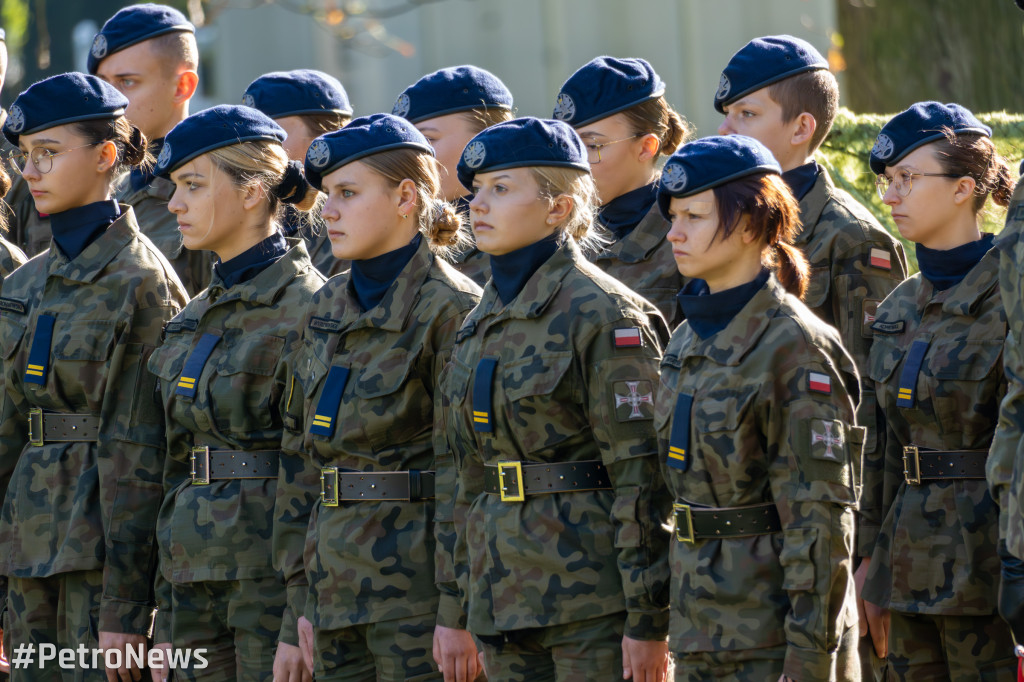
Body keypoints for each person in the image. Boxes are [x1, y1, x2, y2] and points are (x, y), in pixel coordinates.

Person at [441, 117, 672, 682]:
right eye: (478, 189)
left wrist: (648, 620)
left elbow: (642, 479)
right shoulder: (479, 318)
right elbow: (467, 474)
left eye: (502, 188)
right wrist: (456, 605)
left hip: (590, 604)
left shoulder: (605, 314)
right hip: (500, 595)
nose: (478, 204)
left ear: (559, 208)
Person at [714, 35, 907, 676]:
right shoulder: (716, 222)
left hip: (821, 526)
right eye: (727, 114)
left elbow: (873, 406)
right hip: (732, 530)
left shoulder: (852, 240)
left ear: (801, 127)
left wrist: (868, 548)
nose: (728, 128)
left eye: (748, 115)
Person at [272, 113, 481, 681]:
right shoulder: (323, 306)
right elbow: (301, 461)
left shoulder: (452, 309)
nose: (327, 211)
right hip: (331, 590)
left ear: (405, 196)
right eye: (325, 195)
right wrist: (298, 608)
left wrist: (455, 610)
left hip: (414, 599)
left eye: (347, 193)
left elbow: (462, 472)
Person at [0, 72, 188, 680]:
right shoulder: (24, 284)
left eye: (48, 154)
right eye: (25, 156)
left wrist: (129, 606)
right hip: (25, 550)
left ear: (107, 155)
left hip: (101, 560)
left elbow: (145, 451)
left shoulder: (143, 283)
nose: (31, 171)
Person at [655, 134, 863, 681]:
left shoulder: (793, 344)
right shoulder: (685, 341)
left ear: (750, 224)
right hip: (702, 626)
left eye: (694, 216)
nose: (674, 232)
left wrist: (809, 658)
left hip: (775, 640)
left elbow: (820, 516)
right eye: (673, 216)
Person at [145, 104, 326, 682]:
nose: (175, 204)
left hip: (268, 585)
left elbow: (317, 475)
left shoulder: (312, 308)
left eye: (193, 186)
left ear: (253, 193)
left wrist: (299, 613)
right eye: (175, 188)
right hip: (187, 578)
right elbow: (173, 461)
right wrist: (162, 612)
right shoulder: (194, 314)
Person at [859, 102, 1017, 681]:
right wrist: (868, 562)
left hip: (991, 567)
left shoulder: (1012, 294)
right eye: (887, 181)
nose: (891, 194)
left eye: (908, 178)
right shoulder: (900, 303)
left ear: (964, 188)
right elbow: (879, 453)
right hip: (905, 567)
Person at [552, 56, 692, 327]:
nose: (575, 164)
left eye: (592, 146)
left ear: (646, 147)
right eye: (567, 147)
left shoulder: (690, 229)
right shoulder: (556, 232)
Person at [89, 2, 211, 297]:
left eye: (127, 82)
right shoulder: (104, 188)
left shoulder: (215, 190)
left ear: (182, 86)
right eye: (102, 84)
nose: (110, 100)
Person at [393, 65, 514, 287]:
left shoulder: (528, 238)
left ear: (488, 139)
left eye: (427, 141)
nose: (410, 158)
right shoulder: (399, 234)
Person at [242, 68, 353, 277]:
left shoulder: (356, 220)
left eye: (270, 136)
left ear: (325, 139)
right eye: (247, 139)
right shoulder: (238, 213)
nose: (254, 150)